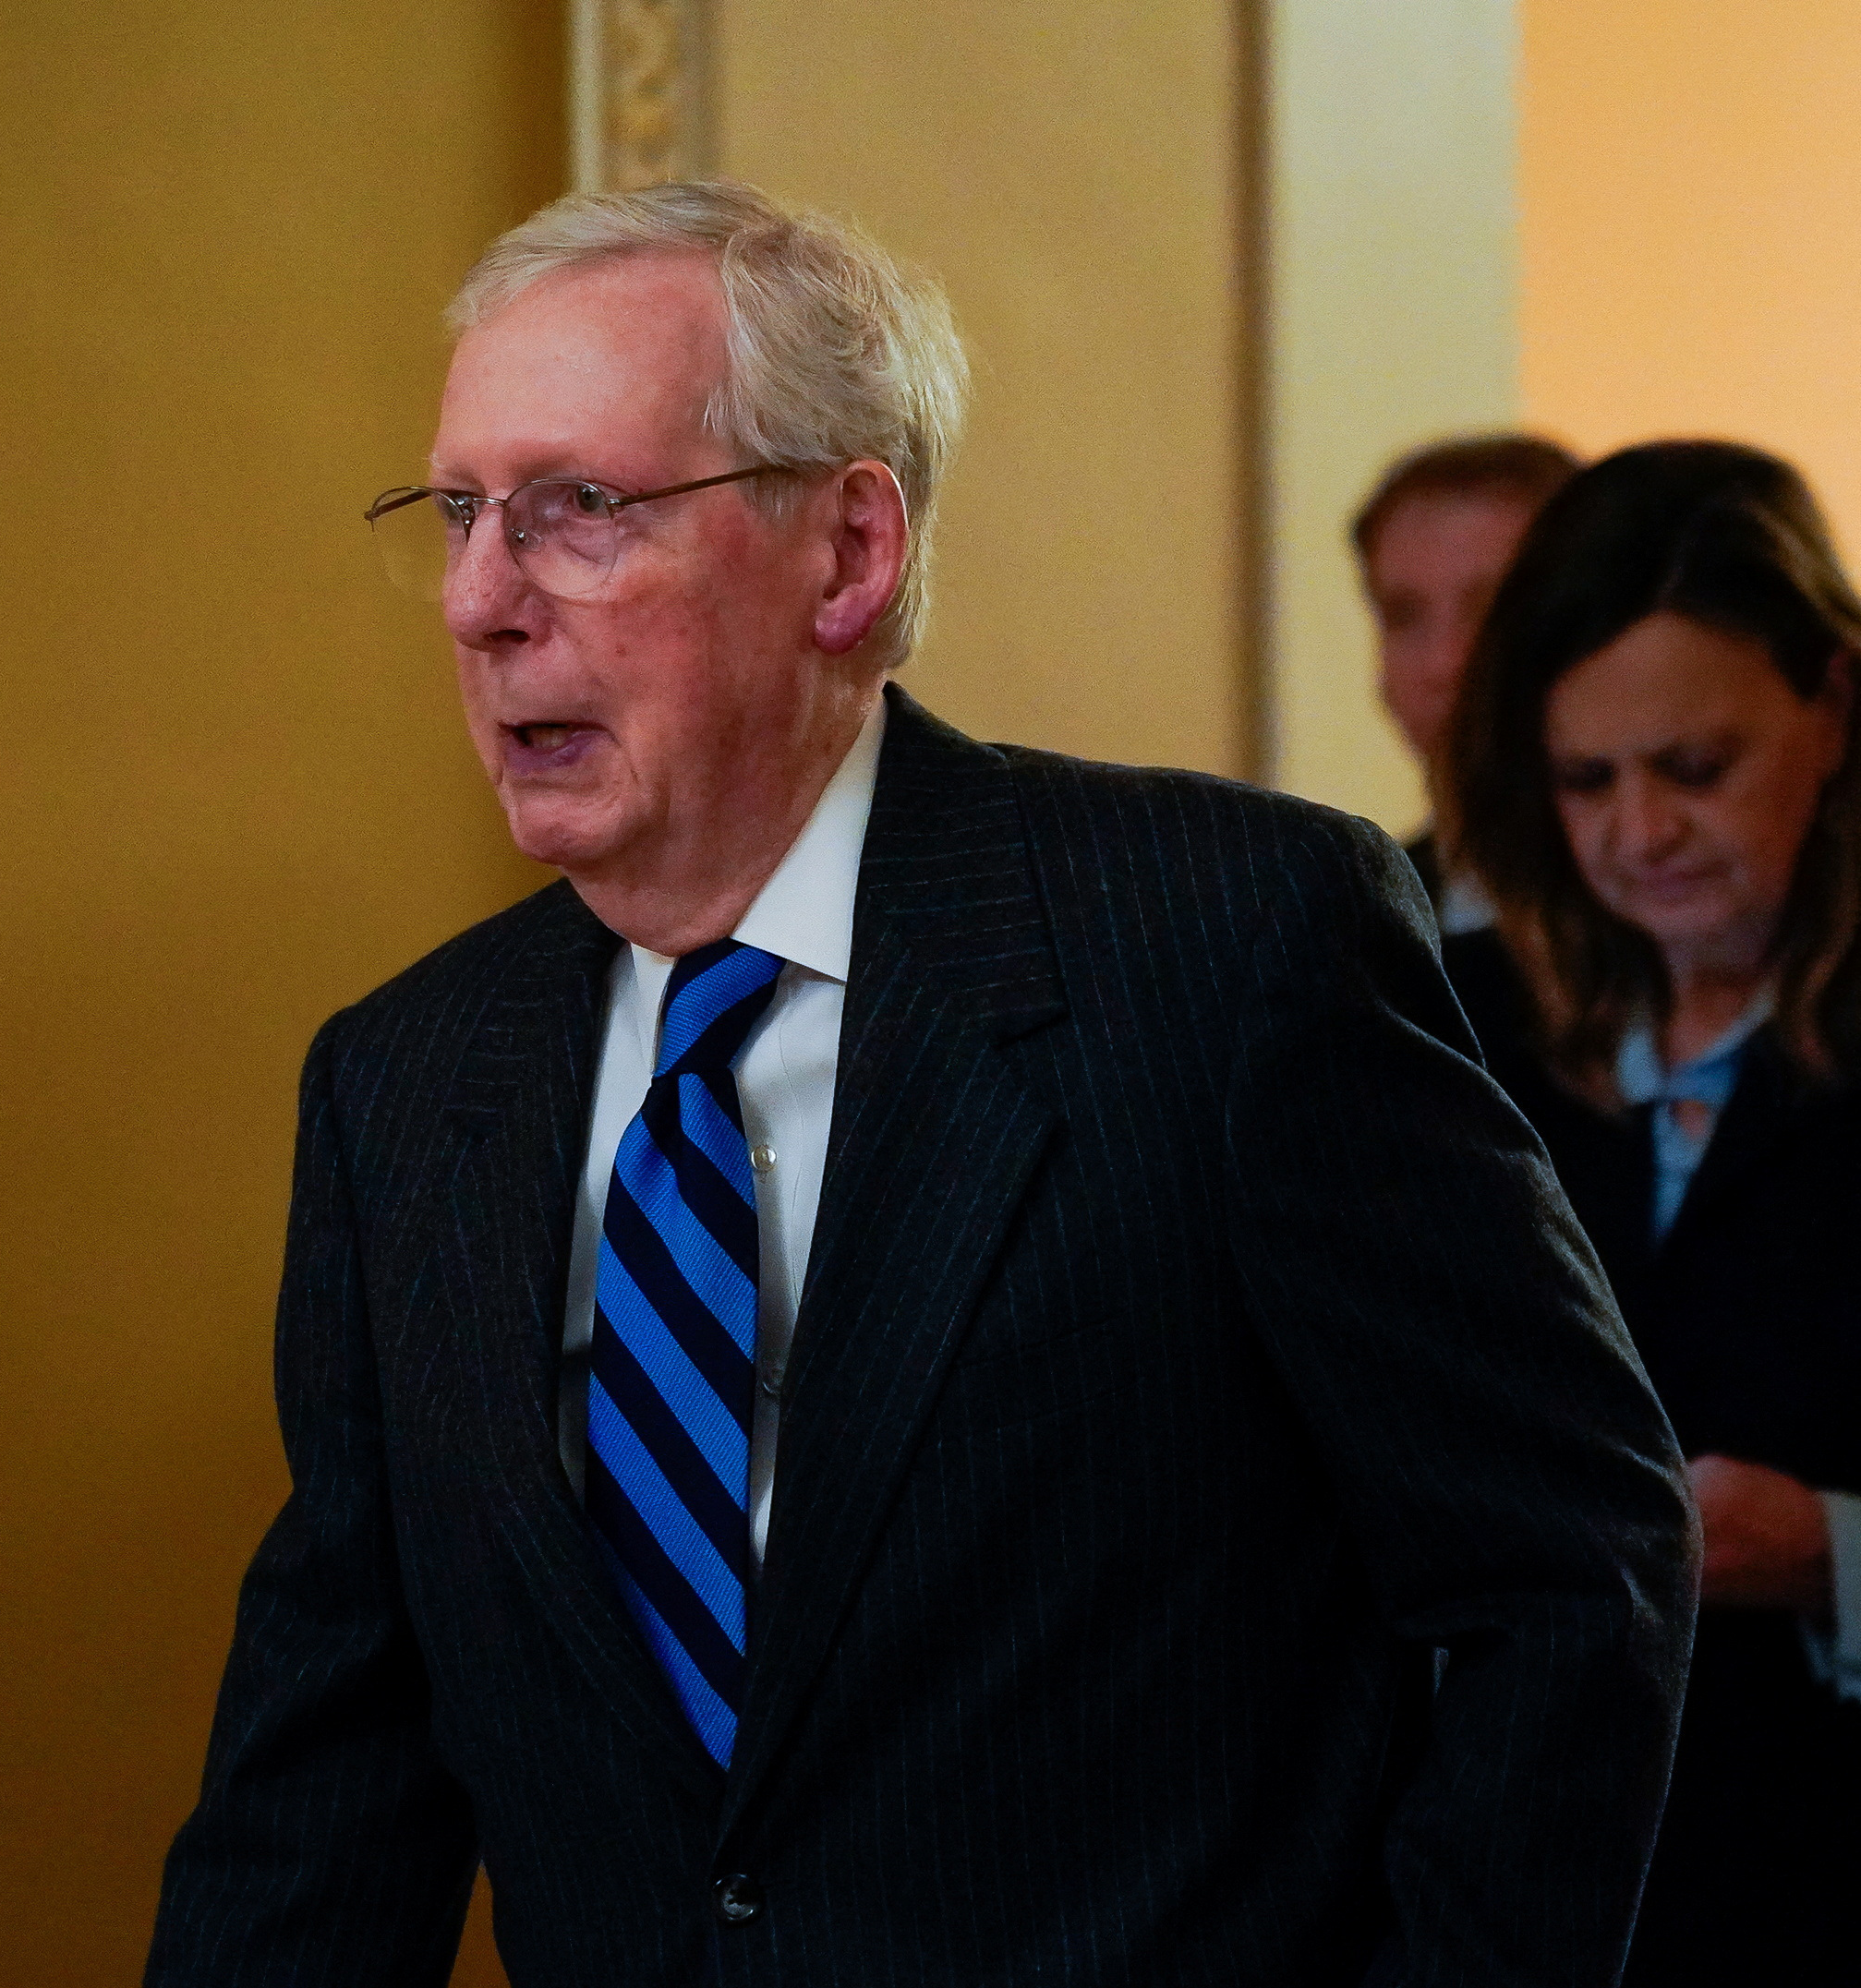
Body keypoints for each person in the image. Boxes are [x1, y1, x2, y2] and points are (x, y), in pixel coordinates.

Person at [146, 180, 1695, 1988]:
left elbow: (1569, 1570)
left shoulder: (1217, 939)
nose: (479, 601)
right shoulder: (399, 1083)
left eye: (577, 510)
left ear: (848, 550)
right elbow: (327, 1772)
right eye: (460, 513)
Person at [1440, 439, 1861, 1987]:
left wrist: (1831, 1552)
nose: (1640, 834)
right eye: (1585, 779)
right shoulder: (1459, 1018)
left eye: (1696, 768)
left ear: (1832, 702)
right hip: (1535, 1881)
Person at [1349, 431, 1580, 924]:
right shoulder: (1354, 925)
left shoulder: (1689, 913)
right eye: (1404, 616)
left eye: (1492, 610)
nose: (1445, 663)